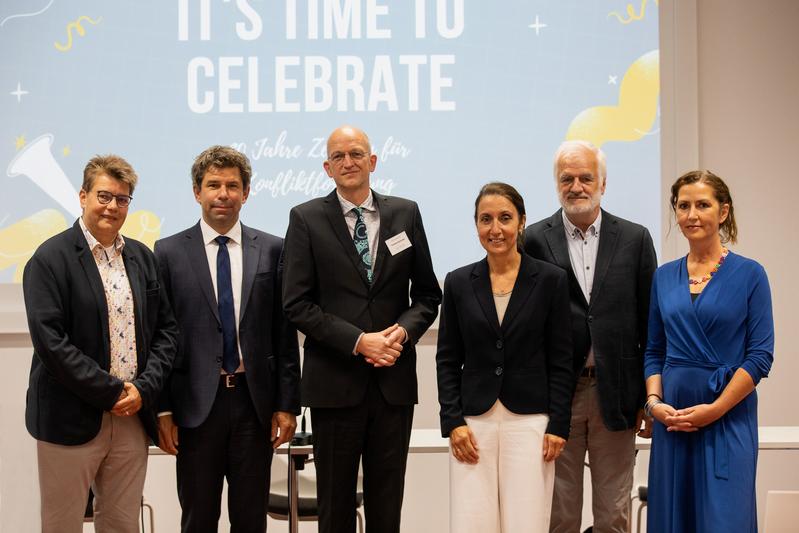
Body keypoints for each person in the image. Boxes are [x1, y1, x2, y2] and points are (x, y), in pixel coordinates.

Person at [282, 125, 441, 533]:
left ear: (373, 161)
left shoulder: (406, 212)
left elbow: (426, 295)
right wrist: (357, 342)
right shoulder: (305, 219)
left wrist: (401, 334)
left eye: (356, 154)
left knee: (387, 504)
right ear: (327, 167)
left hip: (393, 383)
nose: (348, 162)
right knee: (334, 507)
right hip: (335, 385)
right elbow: (296, 304)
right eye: (338, 156)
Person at [23, 155, 177, 533]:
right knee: (62, 524)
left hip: (131, 417)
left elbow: (166, 332)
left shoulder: (142, 257)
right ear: (82, 196)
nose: (112, 207)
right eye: (104, 196)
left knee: (123, 524)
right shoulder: (49, 259)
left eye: (122, 199)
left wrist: (142, 389)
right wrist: (111, 391)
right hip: (69, 417)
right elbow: (52, 345)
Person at [154, 145, 300, 532]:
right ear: (196, 191)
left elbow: (284, 334)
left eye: (232, 185)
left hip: (254, 405)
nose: (223, 193)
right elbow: (160, 338)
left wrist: (288, 405)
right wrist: (163, 410)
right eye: (213, 184)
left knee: (251, 519)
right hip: (195, 408)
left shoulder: (272, 249)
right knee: (199, 518)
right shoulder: (167, 253)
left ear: (246, 192)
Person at [524, 140, 657, 532]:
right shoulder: (533, 239)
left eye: (586, 178)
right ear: (556, 184)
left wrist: (648, 397)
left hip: (616, 394)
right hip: (556, 396)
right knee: (559, 512)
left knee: (613, 512)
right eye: (567, 179)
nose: (576, 186)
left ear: (603, 183)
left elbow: (651, 324)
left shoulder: (635, 239)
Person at [436, 182, 573, 533]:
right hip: (473, 423)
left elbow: (561, 359)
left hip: (530, 421)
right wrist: (453, 421)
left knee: (526, 522)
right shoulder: (457, 282)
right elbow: (448, 359)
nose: (495, 229)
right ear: (476, 225)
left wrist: (559, 423)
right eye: (486, 219)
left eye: (505, 218)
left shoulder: (550, 280)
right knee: (472, 523)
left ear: (522, 222)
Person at [643, 170, 773, 532]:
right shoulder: (664, 276)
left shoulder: (750, 274)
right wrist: (654, 404)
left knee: (724, 519)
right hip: (673, 421)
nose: (691, 214)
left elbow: (760, 355)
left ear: (724, 212)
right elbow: (655, 349)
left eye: (702, 205)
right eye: (683, 206)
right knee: (675, 519)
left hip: (728, 416)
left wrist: (715, 410)